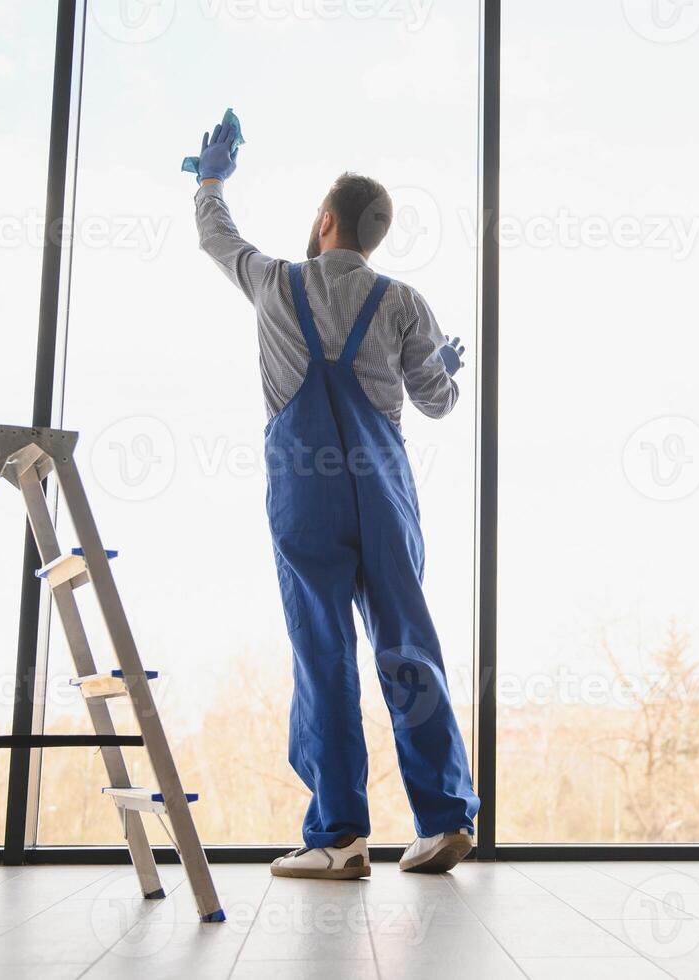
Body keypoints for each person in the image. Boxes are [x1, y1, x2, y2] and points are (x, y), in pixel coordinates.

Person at [188, 110, 479, 879]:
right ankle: (445, 819)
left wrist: (212, 179)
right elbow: (438, 403)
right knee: (407, 646)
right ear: (372, 236)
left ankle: (338, 836)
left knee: (323, 652)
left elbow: (216, 238)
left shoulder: (273, 282)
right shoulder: (403, 301)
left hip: (304, 493)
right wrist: (444, 368)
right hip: (385, 496)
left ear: (324, 222)